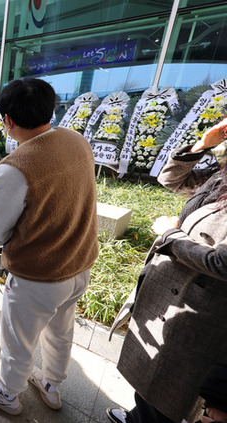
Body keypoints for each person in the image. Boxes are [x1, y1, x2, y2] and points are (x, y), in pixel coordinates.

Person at [0, 77, 99, 416]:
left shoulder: (15, 168)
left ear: (8, 121)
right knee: (60, 330)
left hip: (39, 276)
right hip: (80, 263)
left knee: (17, 340)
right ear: (49, 109)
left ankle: (6, 395)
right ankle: (53, 386)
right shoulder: (77, 140)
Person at [106, 119, 227, 423]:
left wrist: (171, 236)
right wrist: (201, 145)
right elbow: (171, 179)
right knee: (153, 380)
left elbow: (222, 262)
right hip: (176, 295)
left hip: (197, 310)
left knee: (166, 388)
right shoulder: (221, 176)